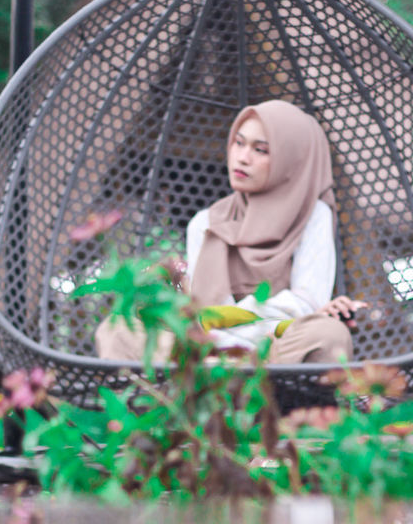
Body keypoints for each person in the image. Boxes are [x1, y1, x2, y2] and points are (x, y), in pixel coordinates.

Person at [95, 99, 364, 364]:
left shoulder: (313, 215)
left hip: (274, 351)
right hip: (209, 347)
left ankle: (224, 369)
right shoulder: (205, 223)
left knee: (329, 334)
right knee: (117, 330)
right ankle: (223, 368)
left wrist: (235, 337)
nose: (242, 158)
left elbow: (304, 303)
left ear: (290, 160)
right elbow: (203, 312)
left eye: (261, 150)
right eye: (239, 143)